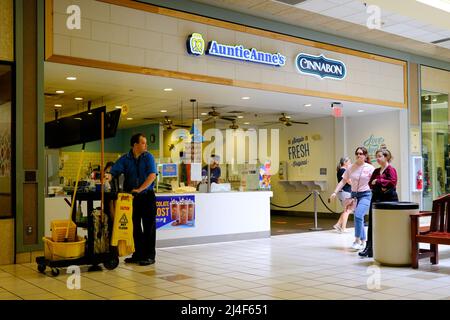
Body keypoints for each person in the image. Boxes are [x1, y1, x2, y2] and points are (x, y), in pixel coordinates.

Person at [106, 133, 157, 266]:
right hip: (132, 198)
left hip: (147, 196)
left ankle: (150, 255)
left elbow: (152, 175)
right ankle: (138, 254)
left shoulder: (148, 157)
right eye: (143, 143)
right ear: (135, 145)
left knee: (149, 227)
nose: (146, 145)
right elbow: (113, 171)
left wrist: (140, 189)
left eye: (146, 143)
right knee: (134, 227)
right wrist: (108, 176)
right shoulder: (125, 159)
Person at [330, 147, 374, 251]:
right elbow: (343, 181)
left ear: (365, 155)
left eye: (361, 153)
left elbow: (375, 181)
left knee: (358, 215)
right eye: (357, 153)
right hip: (354, 195)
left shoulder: (370, 168)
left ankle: (357, 240)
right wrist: (335, 192)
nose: (359, 155)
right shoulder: (351, 167)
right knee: (359, 217)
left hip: (366, 195)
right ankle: (364, 241)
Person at [359, 147, 398, 258]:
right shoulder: (376, 171)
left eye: (380, 156)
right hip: (376, 199)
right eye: (376, 156)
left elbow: (393, 182)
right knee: (372, 223)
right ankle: (369, 248)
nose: (377, 158)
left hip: (389, 200)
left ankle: (386, 248)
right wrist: (379, 184)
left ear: (386, 157)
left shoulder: (391, 169)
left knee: (386, 224)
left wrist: (379, 181)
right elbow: (371, 183)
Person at [333, 157, 354, 233]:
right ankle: (343, 227)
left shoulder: (340, 170)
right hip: (345, 192)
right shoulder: (343, 170)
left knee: (346, 210)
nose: (350, 163)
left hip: (342, 192)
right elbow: (348, 181)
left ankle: (338, 224)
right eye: (349, 161)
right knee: (348, 210)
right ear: (345, 162)